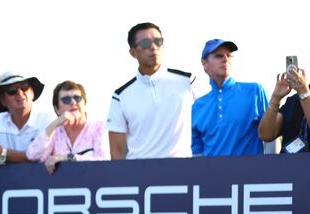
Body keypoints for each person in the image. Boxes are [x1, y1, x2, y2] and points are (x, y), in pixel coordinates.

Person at [107, 23, 195, 160]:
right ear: (133, 52)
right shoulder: (120, 96)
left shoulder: (187, 82)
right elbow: (116, 151)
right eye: (146, 43)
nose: (153, 47)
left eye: (158, 41)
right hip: (140, 174)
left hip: (183, 171)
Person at [191, 40, 269, 157]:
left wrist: (271, 169)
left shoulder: (255, 91)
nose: (225, 59)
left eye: (229, 56)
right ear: (204, 63)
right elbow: (197, 155)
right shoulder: (197, 106)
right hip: (213, 175)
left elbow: (272, 136)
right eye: (219, 56)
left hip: (251, 174)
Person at [0, 71, 53, 165]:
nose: (20, 93)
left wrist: (0, 152)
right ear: (3, 100)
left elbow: (38, 159)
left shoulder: (48, 122)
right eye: (12, 90)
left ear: (32, 93)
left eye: (24, 87)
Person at [27, 80, 109, 174]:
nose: (73, 102)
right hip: (61, 186)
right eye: (66, 99)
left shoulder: (98, 127)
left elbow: (104, 161)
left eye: (77, 98)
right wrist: (54, 124)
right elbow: (32, 155)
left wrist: (68, 158)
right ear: (57, 109)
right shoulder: (55, 132)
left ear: (84, 104)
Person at [257, 61, 310, 154]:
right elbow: (266, 134)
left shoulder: (303, 94)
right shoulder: (294, 101)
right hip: (289, 167)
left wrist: (303, 93)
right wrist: (275, 98)